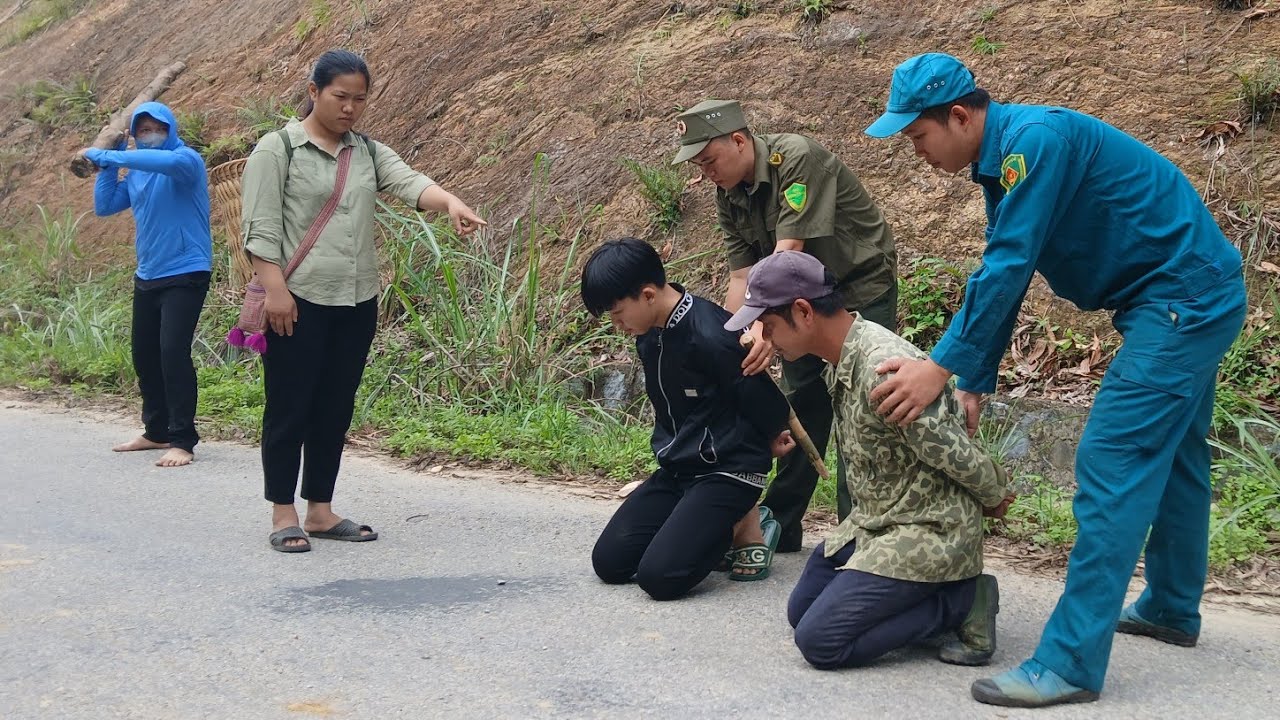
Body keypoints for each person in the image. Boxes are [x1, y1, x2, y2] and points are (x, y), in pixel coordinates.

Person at [863, 53, 1247, 707]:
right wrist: (973, 381)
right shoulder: (1006, 155)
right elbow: (1009, 264)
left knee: (1112, 460)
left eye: (918, 135)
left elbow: (1009, 264)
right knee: (1178, 457)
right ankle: (1172, 607)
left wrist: (939, 366)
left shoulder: (1033, 144)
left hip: (1181, 302)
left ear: (959, 116)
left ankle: (1068, 662)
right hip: (1191, 295)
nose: (916, 151)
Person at [240, 49, 486, 553]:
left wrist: (450, 203)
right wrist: (277, 292)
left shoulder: (367, 152)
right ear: (313, 92)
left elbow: (410, 183)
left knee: (334, 406)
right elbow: (259, 228)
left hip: (356, 302)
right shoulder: (277, 150)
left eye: (359, 99)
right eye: (339, 97)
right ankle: (283, 512)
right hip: (297, 301)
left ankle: (321, 511)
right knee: (290, 405)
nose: (350, 108)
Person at [725, 250, 1013, 669]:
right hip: (877, 521)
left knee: (820, 641)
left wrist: (996, 494)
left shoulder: (882, 369)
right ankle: (917, 594)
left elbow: (955, 450)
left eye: (768, 326)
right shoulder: (841, 357)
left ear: (803, 312)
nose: (766, 340)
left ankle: (961, 600)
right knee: (800, 610)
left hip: (927, 527)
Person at [672, 99, 898, 552]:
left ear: (739, 140)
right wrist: (732, 339)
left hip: (854, 289)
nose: (705, 174)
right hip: (792, 300)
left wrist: (763, 329)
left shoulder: (795, 157)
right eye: (697, 166)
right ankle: (784, 519)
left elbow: (786, 252)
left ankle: (859, 531)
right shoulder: (729, 194)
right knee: (801, 400)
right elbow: (741, 276)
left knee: (860, 402)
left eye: (709, 160)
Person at [583, 237, 794, 599]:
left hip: (728, 470)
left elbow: (761, 397)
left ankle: (745, 523)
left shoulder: (712, 334)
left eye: (618, 314)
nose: (617, 324)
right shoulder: (650, 335)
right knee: (610, 563)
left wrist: (772, 436)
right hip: (680, 468)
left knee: (660, 578)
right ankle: (698, 525)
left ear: (648, 295)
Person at [87, 102, 212, 468]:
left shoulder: (185, 160)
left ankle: (182, 439)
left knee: (172, 352)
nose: (151, 134)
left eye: (158, 127)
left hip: (187, 271)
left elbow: (168, 164)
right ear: (135, 136)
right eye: (143, 130)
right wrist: (107, 166)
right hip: (149, 274)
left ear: (170, 129)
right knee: (145, 354)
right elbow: (105, 205)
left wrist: (110, 154)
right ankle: (156, 430)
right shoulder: (138, 171)